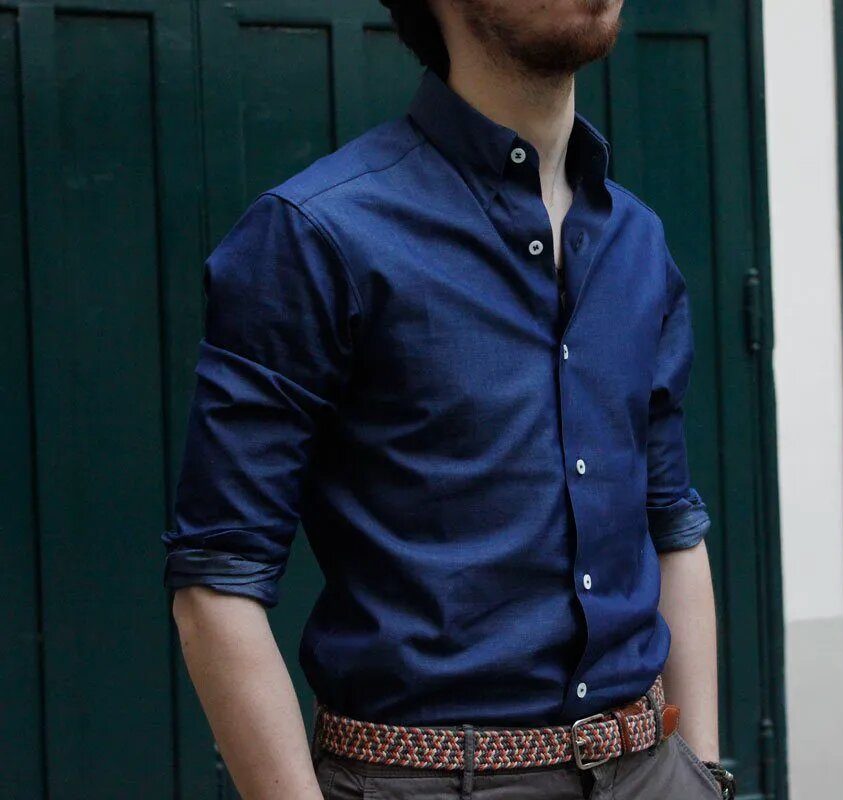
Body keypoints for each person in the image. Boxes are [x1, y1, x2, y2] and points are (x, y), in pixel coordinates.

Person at [161, 0, 734, 797]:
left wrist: (703, 773)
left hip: (654, 771)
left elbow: (671, 522)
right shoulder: (316, 236)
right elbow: (217, 581)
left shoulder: (638, 241)